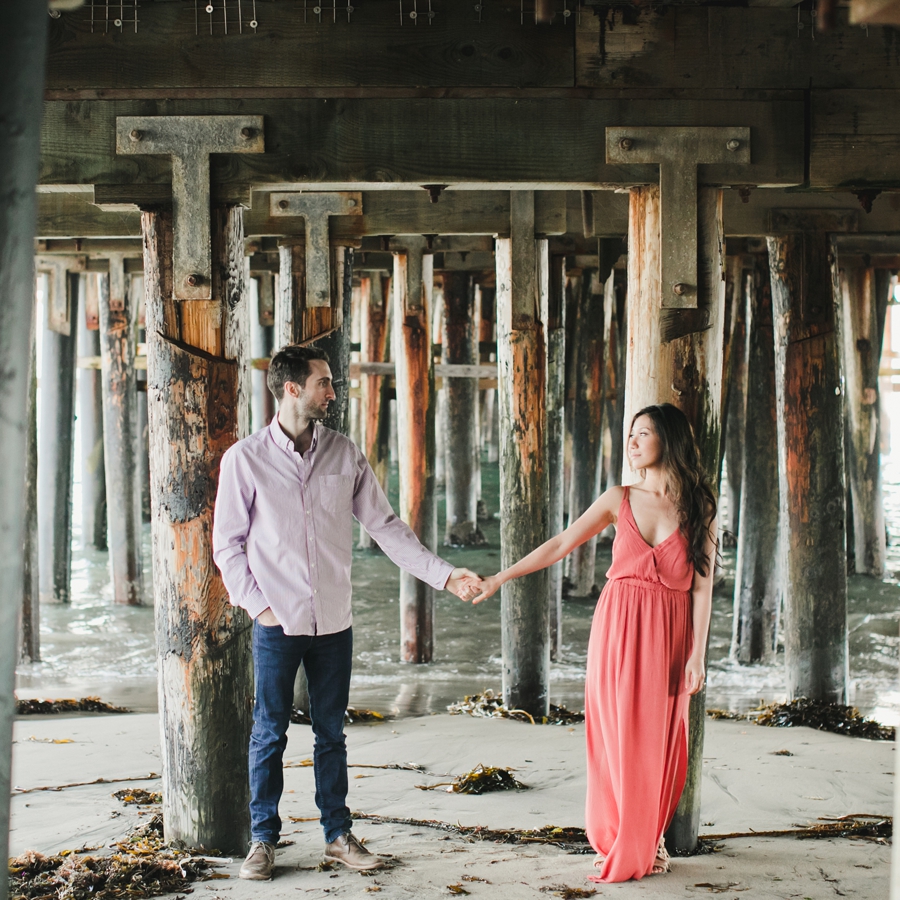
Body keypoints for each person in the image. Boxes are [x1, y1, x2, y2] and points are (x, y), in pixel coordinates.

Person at [212, 344, 482, 881]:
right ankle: (263, 841)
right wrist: (261, 607)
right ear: (292, 388)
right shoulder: (244, 459)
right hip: (277, 622)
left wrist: (445, 575)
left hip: (334, 622)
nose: (333, 392)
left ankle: (337, 834)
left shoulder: (345, 453)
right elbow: (227, 546)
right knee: (268, 732)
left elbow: (386, 529)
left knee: (330, 732)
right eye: (324, 383)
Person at [471, 403, 716, 883]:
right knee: (616, 737)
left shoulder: (698, 506)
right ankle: (621, 838)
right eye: (631, 433)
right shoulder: (617, 498)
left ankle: (651, 839)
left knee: (661, 741)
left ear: (669, 439)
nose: (633, 441)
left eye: (644, 433)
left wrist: (698, 655)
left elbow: (703, 587)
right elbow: (561, 544)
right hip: (618, 628)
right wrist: (500, 577)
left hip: (671, 634)